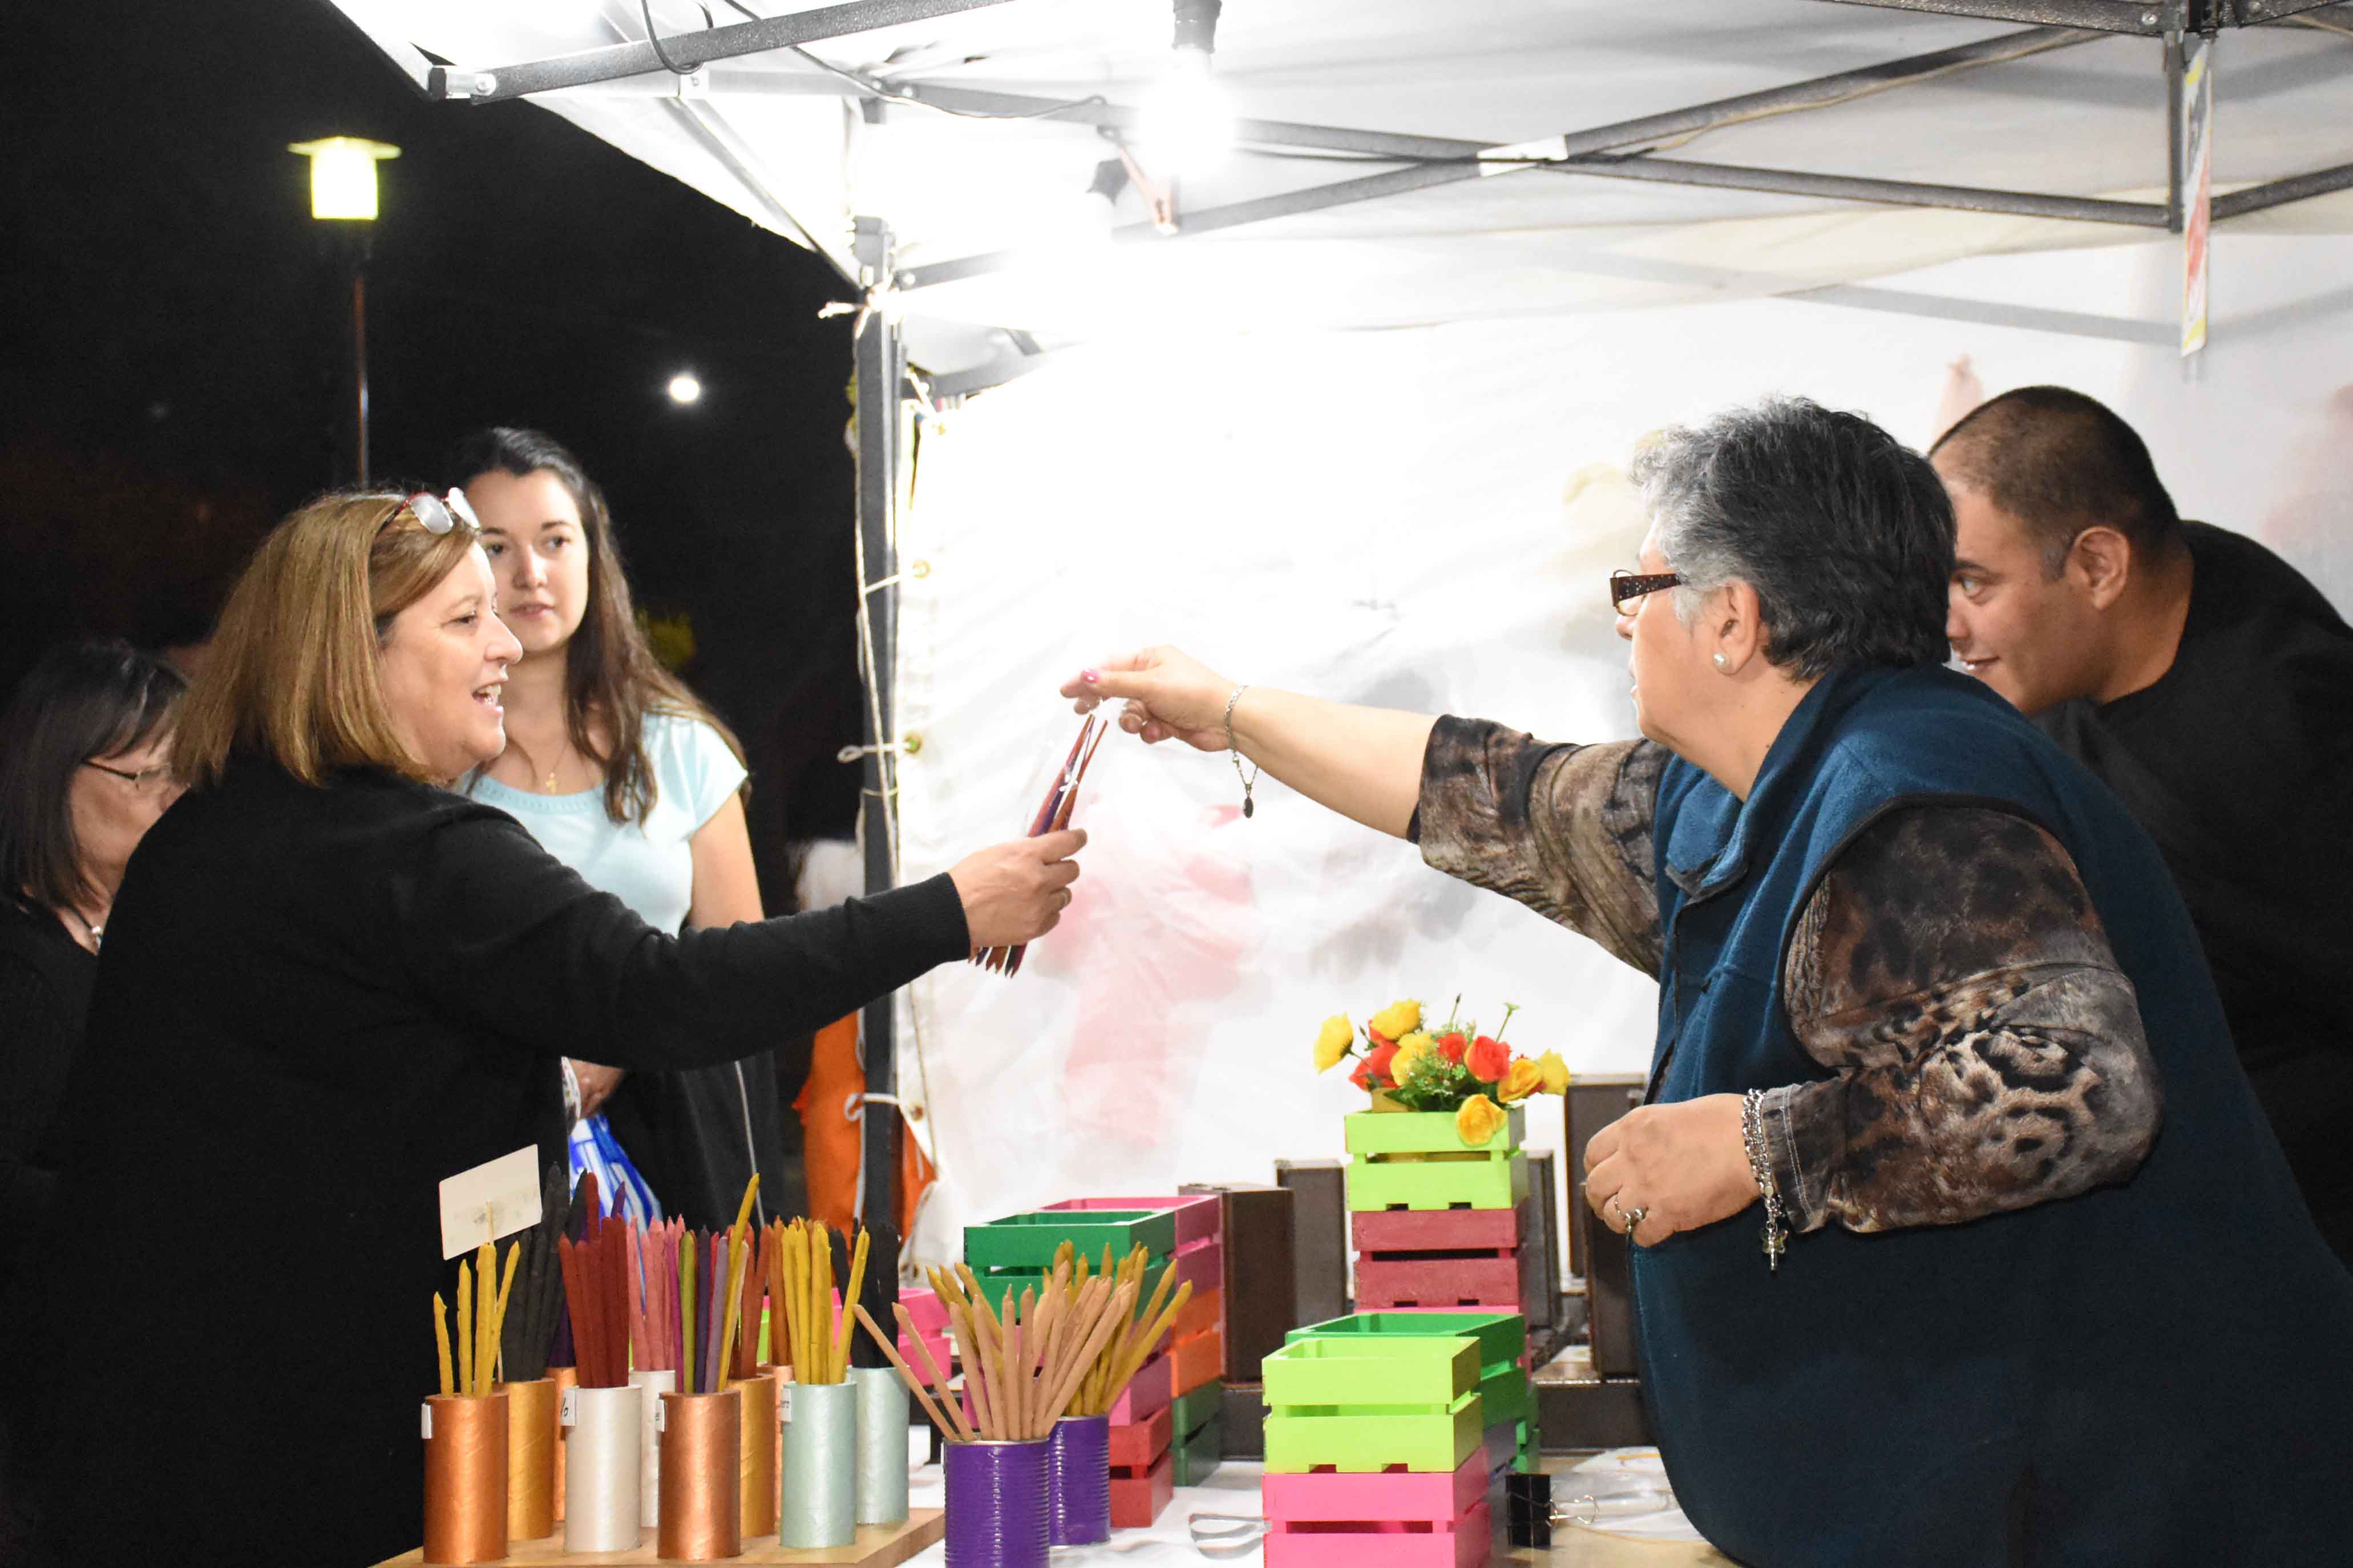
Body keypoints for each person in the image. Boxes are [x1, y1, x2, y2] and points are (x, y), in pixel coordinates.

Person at [1066, 398, 2353, 1565]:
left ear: (1732, 620)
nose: (1623, 620)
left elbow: (2078, 1085)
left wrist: (1759, 1146)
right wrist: (1228, 710)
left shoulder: (1908, 804)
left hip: (2132, 1505)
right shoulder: (1753, 783)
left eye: (1640, 587)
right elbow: (1487, 793)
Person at [12, 489, 1080, 1568]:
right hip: (339, 1443)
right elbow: (668, 991)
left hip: (153, 1431)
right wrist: (946, 910)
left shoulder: (194, 841)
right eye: (463, 618)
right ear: (355, 654)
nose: (506, 643)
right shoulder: (418, 854)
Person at [1932, 386, 2353, 1263]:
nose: (1949, 625)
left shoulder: (2275, 746)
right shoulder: (2163, 593)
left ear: (2098, 567)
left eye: (1974, 582)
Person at [451, 426, 786, 1231]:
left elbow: (745, 977)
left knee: (665, 1319)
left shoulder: (683, 749)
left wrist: (624, 1042)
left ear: (593, 556)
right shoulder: (431, 761)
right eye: (495, 548)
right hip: (487, 1150)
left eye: (554, 541)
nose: (530, 573)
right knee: (502, 1310)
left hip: (671, 1151)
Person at [0, 638, 187, 1297]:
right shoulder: (24, 970)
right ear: (55, 776)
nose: (175, 798)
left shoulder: (153, 927)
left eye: (186, 773)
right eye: (147, 776)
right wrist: (138, 1211)